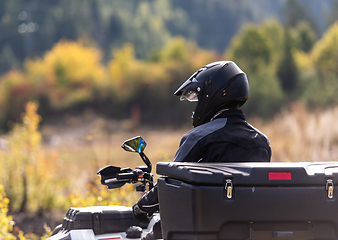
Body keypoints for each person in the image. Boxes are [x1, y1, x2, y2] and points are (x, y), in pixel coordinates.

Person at [132, 61, 272, 239]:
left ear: (211, 95)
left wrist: (140, 207)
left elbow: (169, 187)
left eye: (197, 98)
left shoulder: (199, 137)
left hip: (204, 230)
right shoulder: (261, 141)